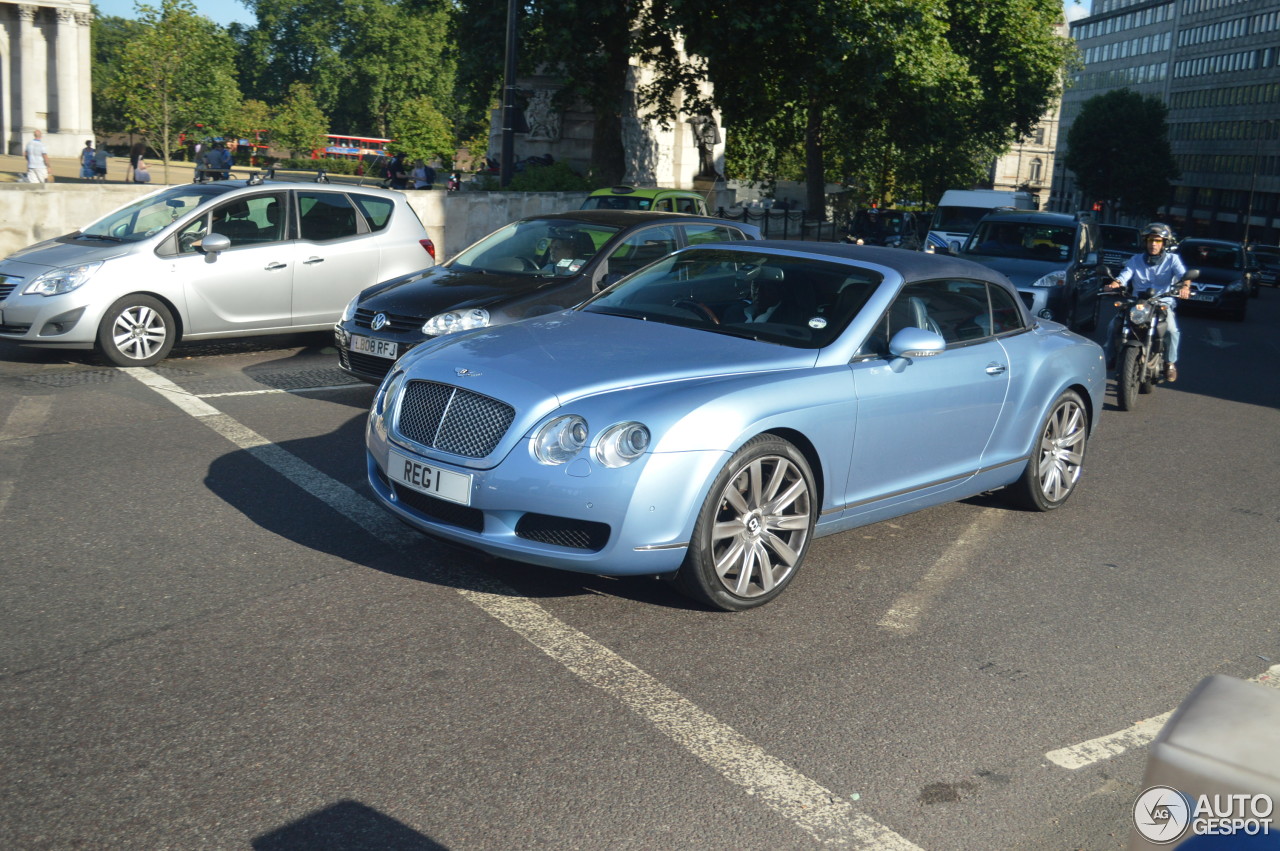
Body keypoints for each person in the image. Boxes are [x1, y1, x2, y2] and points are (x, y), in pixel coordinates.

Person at [1104, 222, 1192, 381]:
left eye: (1158, 241)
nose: (1153, 244)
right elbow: (1125, 275)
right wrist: (1115, 284)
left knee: (1172, 331)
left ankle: (1169, 363)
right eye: (1151, 240)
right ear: (1145, 242)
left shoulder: (1173, 260)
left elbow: (1184, 276)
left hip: (1161, 303)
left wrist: (1185, 287)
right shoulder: (1135, 260)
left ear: (1164, 243)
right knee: (1113, 325)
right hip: (1138, 302)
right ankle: (1111, 357)